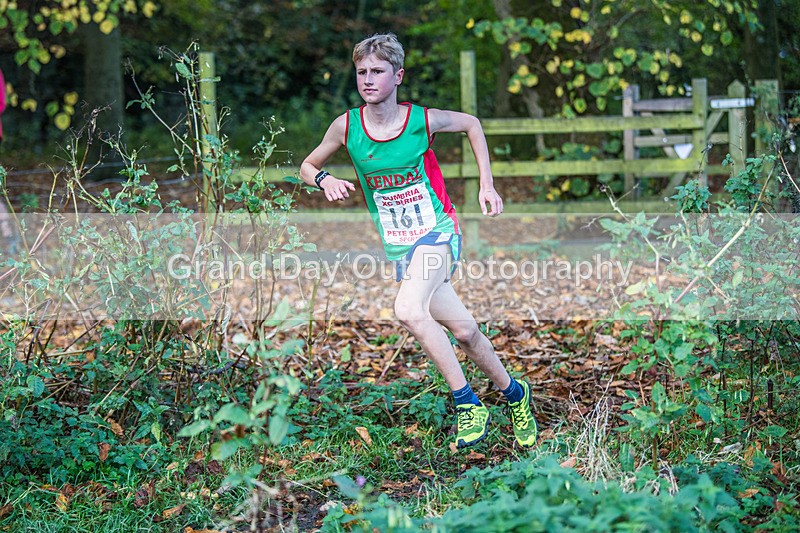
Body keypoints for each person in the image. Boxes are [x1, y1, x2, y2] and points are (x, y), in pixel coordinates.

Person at [300, 33, 538, 449]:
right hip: (401, 247)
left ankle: (467, 403)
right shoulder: (346, 127)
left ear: (398, 76)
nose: (368, 79)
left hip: (439, 231)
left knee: (408, 309)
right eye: (361, 72)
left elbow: (472, 124)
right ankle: (516, 394)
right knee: (465, 332)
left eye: (377, 71)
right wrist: (324, 179)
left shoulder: (421, 121)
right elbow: (307, 164)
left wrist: (487, 184)